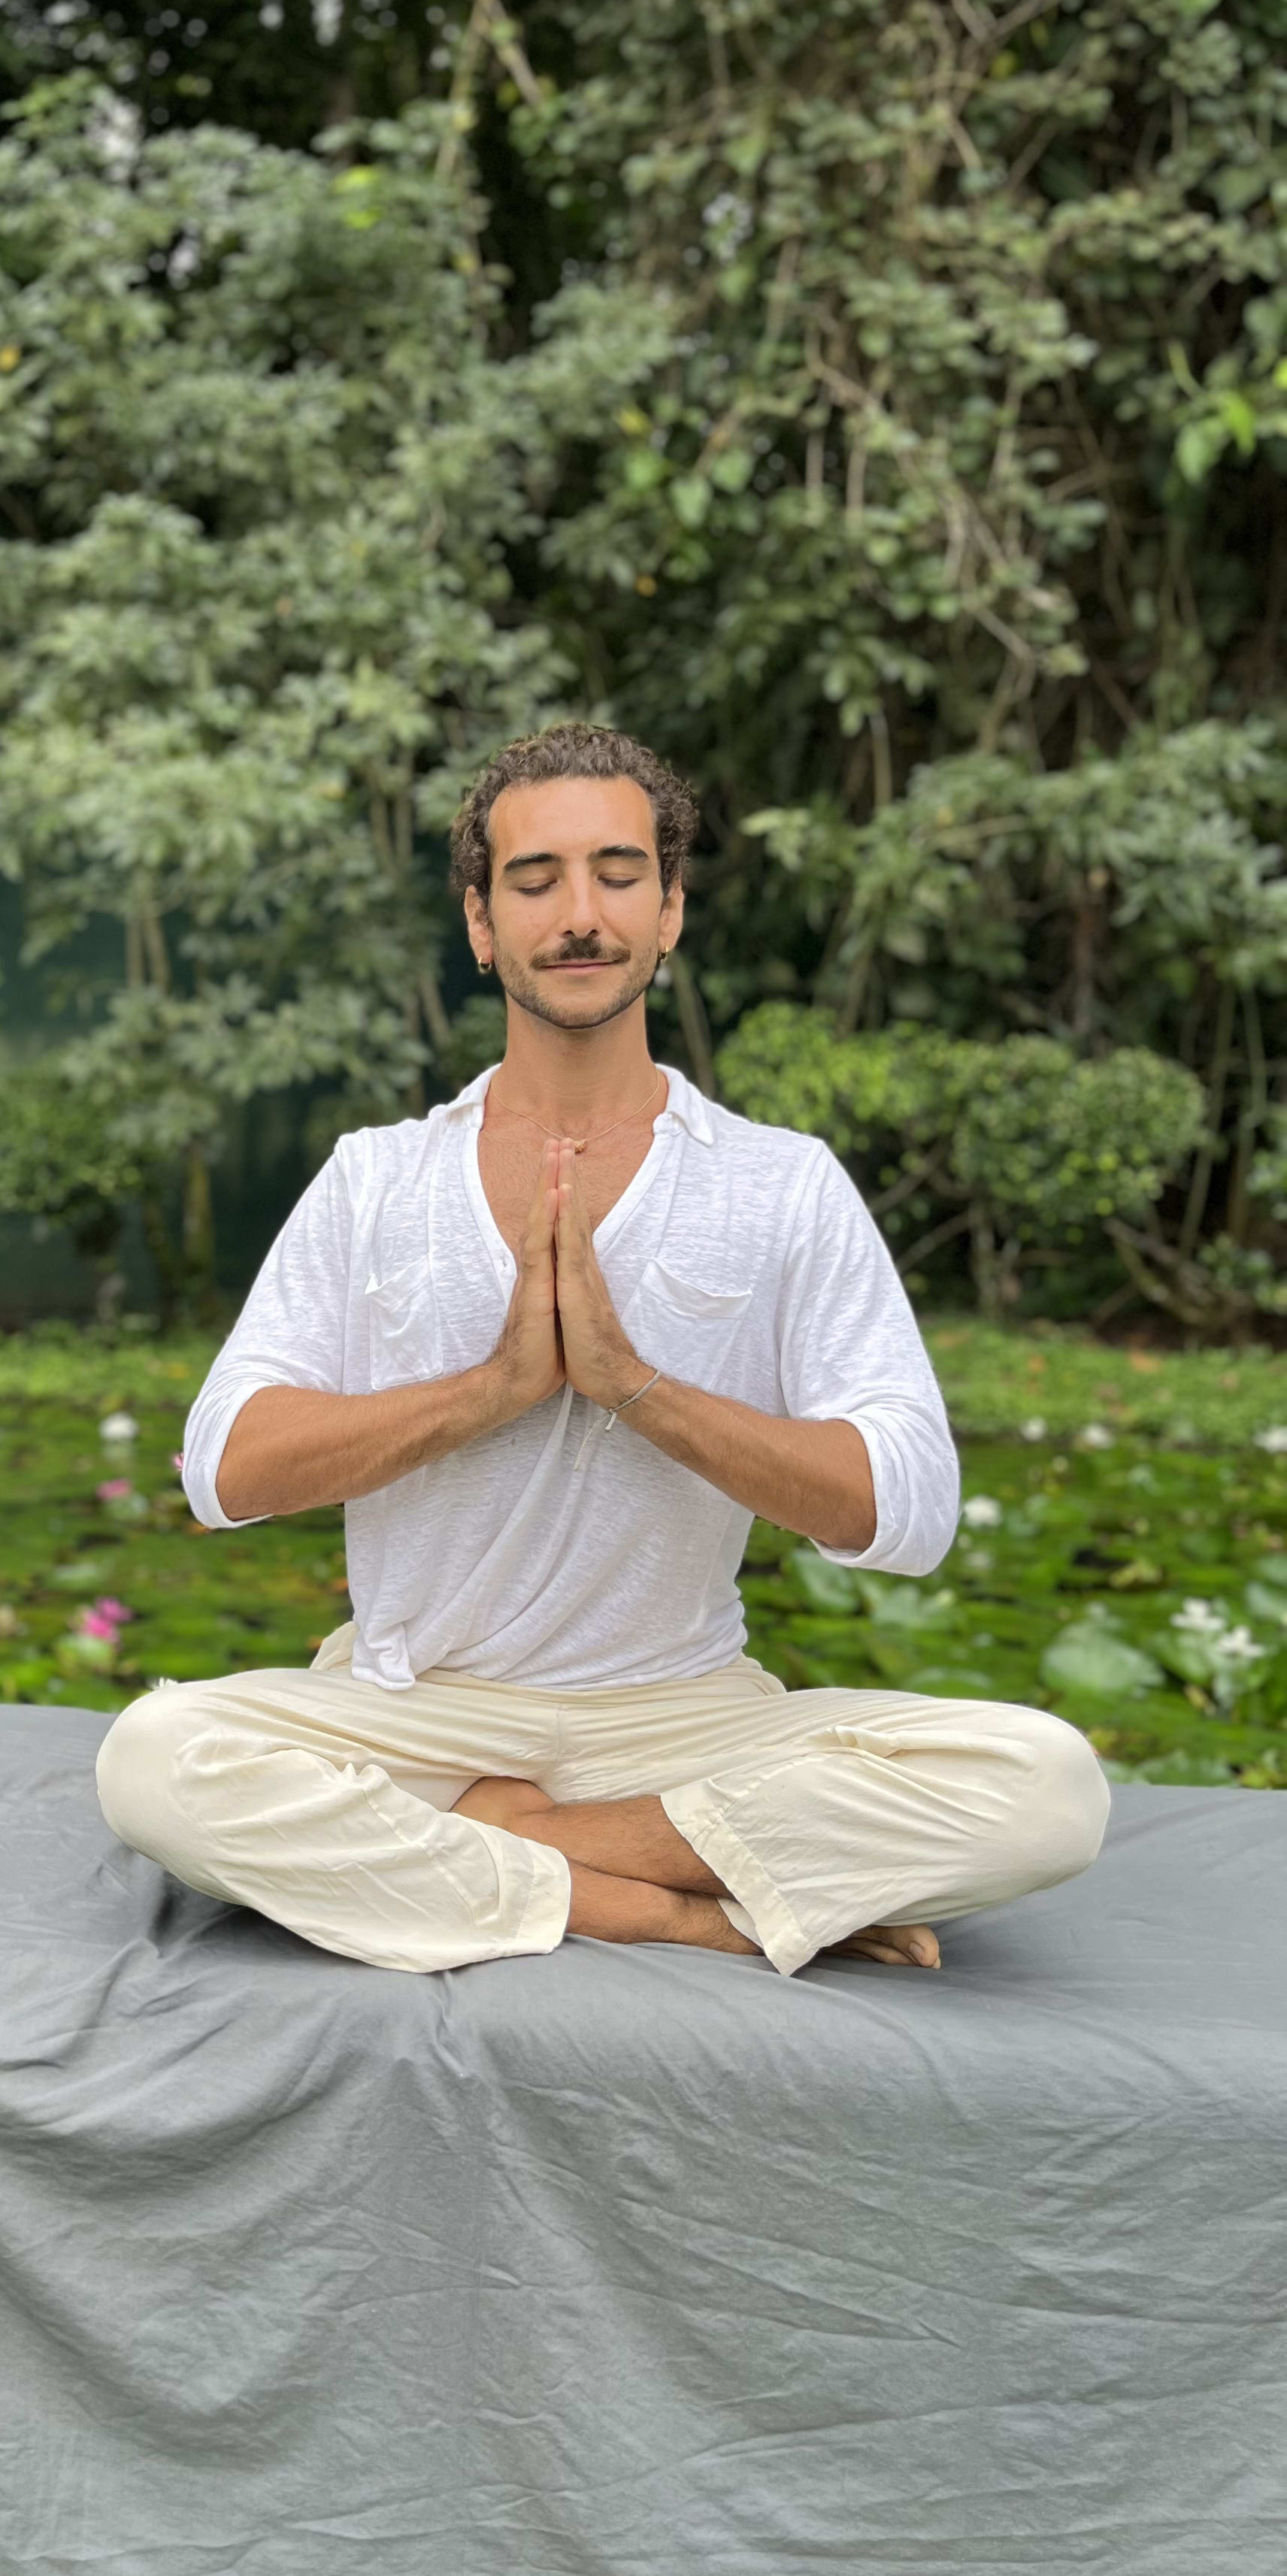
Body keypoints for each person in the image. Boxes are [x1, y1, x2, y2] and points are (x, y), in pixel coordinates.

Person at [95, 725, 1110, 1976]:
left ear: (671, 908)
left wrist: (636, 1390)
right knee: (151, 1759)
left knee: (1050, 1787)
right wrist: (492, 1392)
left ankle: (518, 1844)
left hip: (682, 1717)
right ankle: (662, 1903)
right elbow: (224, 1468)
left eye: (620, 874)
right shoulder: (376, 1178)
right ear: (480, 922)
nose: (581, 913)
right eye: (536, 881)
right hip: (418, 1711)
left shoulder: (779, 1185)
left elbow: (908, 1512)